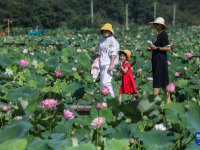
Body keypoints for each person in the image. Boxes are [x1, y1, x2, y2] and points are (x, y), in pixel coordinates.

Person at [146, 17, 171, 104]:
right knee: (163, 79)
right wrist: (152, 49)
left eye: (156, 24)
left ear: (161, 25)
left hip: (161, 60)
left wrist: (157, 48)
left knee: (157, 79)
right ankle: (168, 100)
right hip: (157, 59)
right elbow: (157, 48)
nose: (155, 25)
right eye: (154, 24)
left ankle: (154, 101)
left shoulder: (163, 35)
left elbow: (168, 48)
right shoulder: (158, 34)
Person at [95, 23, 119, 103]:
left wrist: (111, 65)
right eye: (104, 30)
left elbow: (113, 54)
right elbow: (100, 52)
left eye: (107, 30)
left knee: (106, 83)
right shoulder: (102, 40)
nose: (106, 32)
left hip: (108, 64)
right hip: (102, 63)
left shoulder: (113, 41)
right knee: (102, 84)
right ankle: (105, 101)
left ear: (110, 31)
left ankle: (112, 100)